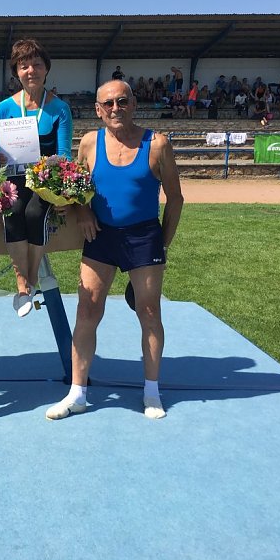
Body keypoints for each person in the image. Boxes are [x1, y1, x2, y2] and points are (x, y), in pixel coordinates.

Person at [46, 80, 183, 421]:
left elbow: (176, 199)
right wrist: (82, 211)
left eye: (122, 101)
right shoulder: (90, 143)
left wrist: (161, 244)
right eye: (108, 103)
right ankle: (77, 393)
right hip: (101, 238)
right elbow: (75, 188)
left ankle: (151, 392)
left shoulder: (157, 145)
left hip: (143, 237)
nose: (115, 108)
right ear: (97, 109)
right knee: (87, 311)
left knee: (149, 313)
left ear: (134, 104)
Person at [0, 39, 73, 317]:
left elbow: (63, 154)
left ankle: (33, 278)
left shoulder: (60, 108)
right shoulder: (5, 107)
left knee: (36, 212)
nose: (31, 70)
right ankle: (21, 283)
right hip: (15, 178)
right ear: (16, 71)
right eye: (24, 65)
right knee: (13, 210)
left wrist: (62, 193)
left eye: (37, 64)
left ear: (46, 69)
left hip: (46, 182)